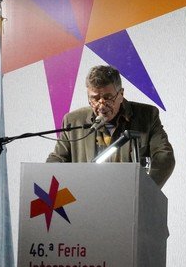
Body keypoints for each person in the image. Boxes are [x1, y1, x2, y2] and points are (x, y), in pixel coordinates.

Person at [47, 65, 175, 188]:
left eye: (108, 98)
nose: (101, 105)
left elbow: (164, 158)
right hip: (86, 202)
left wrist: (144, 191)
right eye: (95, 99)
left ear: (121, 94)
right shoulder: (73, 121)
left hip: (129, 201)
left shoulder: (147, 116)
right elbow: (57, 159)